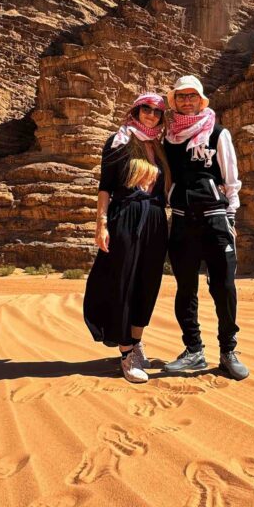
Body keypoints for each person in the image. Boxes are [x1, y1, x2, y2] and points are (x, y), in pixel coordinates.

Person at [162, 75, 249, 380]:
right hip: (183, 221)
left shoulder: (218, 133)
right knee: (186, 290)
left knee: (223, 288)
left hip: (215, 220)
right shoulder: (168, 138)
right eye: (181, 97)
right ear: (175, 102)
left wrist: (232, 217)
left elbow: (231, 178)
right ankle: (194, 351)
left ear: (201, 100)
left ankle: (228, 351)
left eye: (192, 96)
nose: (187, 101)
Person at [83, 93, 170, 383]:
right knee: (124, 281)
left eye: (158, 112)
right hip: (126, 216)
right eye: (146, 109)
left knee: (148, 283)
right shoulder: (119, 141)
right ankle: (125, 353)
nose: (152, 115)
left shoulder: (159, 145)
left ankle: (136, 340)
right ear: (135, 110)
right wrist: (101, 223)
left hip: (155, 220)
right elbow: (105, 187)